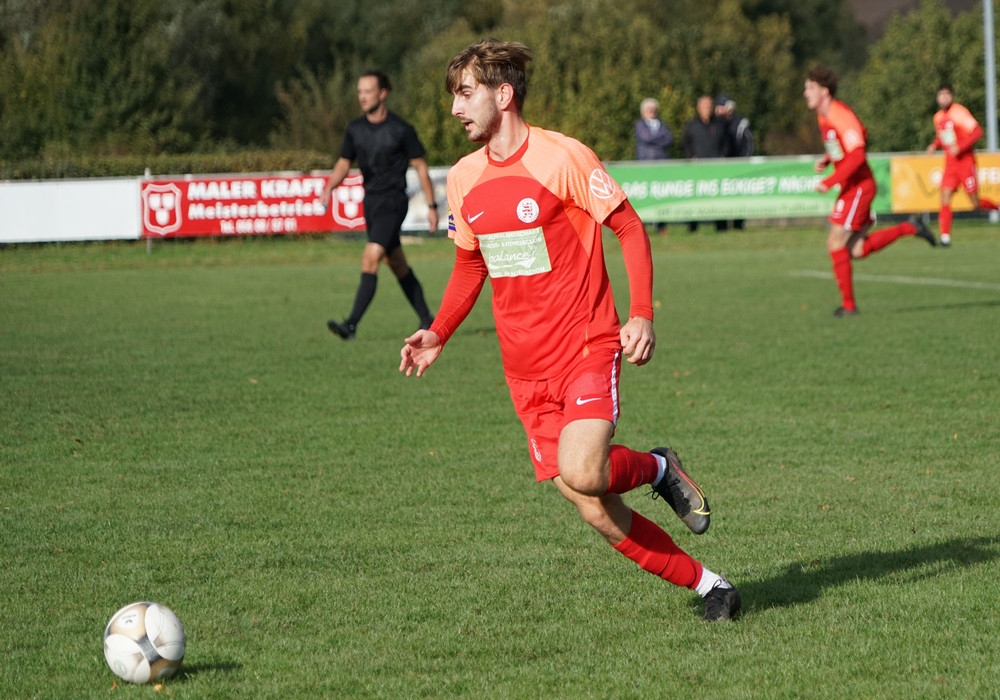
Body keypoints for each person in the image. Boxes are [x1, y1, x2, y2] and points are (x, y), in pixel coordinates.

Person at [399, 38, 741, 622]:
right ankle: (713, 586)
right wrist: (439, 331)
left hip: (586, 345)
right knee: (594, 506)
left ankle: (658, 468)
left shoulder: (563, 157)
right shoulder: (462, 177)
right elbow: (470, 265)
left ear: (503, 95)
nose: (455, 108)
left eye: (465, 93)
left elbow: (628, 227)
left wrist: (641, 313)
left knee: (584, 469)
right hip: (523, 369)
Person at [804, 64, 937, 317]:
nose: (805, 93)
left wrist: (830, 181)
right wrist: (829, 159)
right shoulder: (823, 116)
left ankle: (849, 307)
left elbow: (857, 155)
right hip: (852, 187)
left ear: (825, 91)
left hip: (859, 187)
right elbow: (852, 141)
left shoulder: (841, 115)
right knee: (855, 250)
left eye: (810, 88)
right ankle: (910, 227)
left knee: (835, 242)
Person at [320, 70, 438, 340]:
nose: (362, 97)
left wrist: (432, 207)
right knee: (397, 263)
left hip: (393, 202)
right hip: (371, 203)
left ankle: (351, 325)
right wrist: (329, 187)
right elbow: (343, 163)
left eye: (368, 91)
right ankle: (427, 318)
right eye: (359, 92)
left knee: (370, 257)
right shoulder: (355, 129)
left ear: (383, 94)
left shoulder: (401, 129)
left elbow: (421, 167)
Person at [925, 82, 999, 247]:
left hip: (966, 162)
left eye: (947, 95)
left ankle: (997, 207)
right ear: (937, 98)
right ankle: (945, 238)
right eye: (941, 95)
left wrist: (960, 147)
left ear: (951, 96)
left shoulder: (959, 112)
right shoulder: (938, 117)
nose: (944, 98)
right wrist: (934, 145)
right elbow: (943, 137)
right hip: (950, 164)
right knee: (944, 196)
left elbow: (977, 132)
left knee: (975, 203)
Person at [682, 94, 728, 232]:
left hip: (716, 169)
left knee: (718, 198)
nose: (708, 108)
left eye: (710, 106)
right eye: (705, 106)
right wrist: (691, 157)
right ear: (699, 107)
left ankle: (721, 227)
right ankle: (692, 227)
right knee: (695, 198)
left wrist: (723, 156)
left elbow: (726, 143)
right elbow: (685, 144)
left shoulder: (720, 124)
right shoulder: (691, 126)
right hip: (697, 170)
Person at [634, 97, 673, 234]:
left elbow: (669, 139)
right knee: (645, 196)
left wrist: (654, 140)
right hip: (646, 166)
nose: (651, 111)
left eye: (653, 109)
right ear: (643, 112)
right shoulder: (639, 125)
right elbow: (646, 138)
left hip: (661, 166)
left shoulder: (662, 125)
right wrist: (659, 139)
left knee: (661, 194)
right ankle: (642, 226)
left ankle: (661, 226)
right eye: (648, 109)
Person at [715, 93, 754, 230]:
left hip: (738, 165)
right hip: (720, 167)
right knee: (720, 196)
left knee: (738, 195)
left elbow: (748, 144)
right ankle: (721, 225)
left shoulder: (740, 123)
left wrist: (742, 162)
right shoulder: (715, 124)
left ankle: (738, 224)